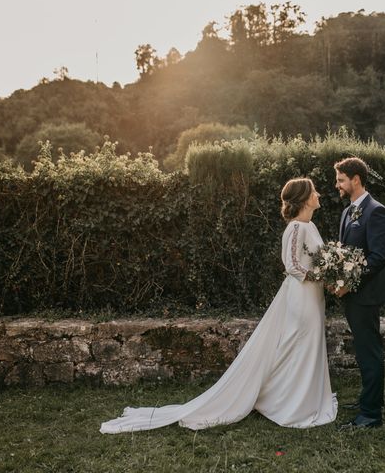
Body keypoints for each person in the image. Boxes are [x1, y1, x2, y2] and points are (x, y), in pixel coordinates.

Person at [100, 178, 337, 434]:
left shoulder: (311, 226)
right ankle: (287, 403)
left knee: (309, 346)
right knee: (297, 346)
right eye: (314, 191)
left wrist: (333, 272)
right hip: (300, 297)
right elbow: (292, 266)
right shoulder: (295, 229)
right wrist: (321, 276)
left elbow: (316, 261)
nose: (318, 194)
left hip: (313, 296)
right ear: (303, 198)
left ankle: (302, 398)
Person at [333, 157, 385, 429]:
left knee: (369, 352)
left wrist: (350, 282)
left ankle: (370, 415)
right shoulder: (347, 212)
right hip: (351, 295)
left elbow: (378, 257)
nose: (338, 185)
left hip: (365, 294)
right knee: (363, 348)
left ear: (356, 179)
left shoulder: (376, 211)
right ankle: (370, 399)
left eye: (341, 180)